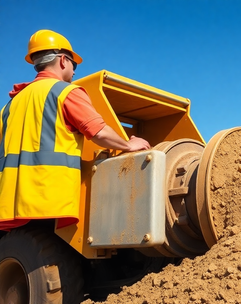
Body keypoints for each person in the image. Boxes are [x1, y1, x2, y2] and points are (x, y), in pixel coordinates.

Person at [0, 29, 151, 231]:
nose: (74, 71)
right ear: (63, 60)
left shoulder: (10, 105)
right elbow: (98, 132)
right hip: (51, 198)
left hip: (11, 204)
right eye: (74, 64)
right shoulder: (65, 92)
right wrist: (128, 145)